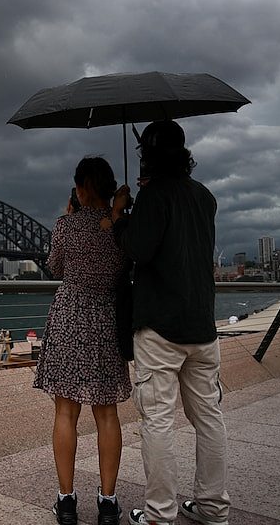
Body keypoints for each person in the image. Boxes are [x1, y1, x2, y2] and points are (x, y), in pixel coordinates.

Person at [109, 120, 230, 525]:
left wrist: (120, 217)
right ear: (184, 152)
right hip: (202, 325)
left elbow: (139, 250)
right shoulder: (205, 196)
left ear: (147, 156)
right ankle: (213, 507)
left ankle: (161, 514)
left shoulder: (153, 197)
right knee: (209, 418)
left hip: (160, 327)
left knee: (157, 421)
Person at [33, 156, 131, 525]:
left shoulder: (66, 225)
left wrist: (69, 217)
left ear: (81, 188)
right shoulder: (121, 227)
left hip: (70, 318)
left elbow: (56, 267)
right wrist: (117, 213)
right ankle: (108, 503)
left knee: (66, 412)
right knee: (107, 414)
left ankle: (67, 501)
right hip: (107, 320)